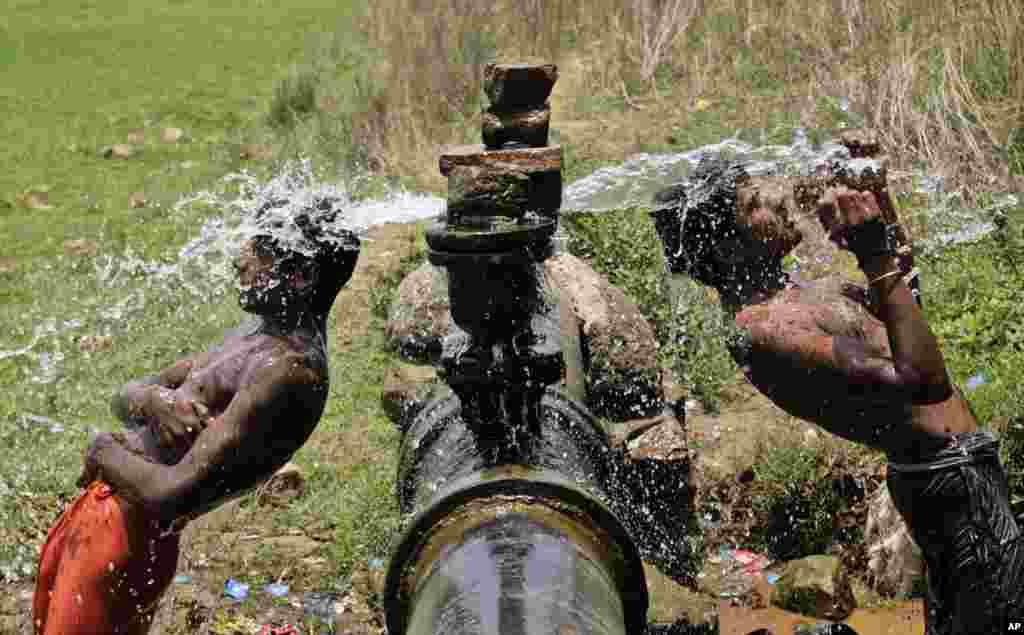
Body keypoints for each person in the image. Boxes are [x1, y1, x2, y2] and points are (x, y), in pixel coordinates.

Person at [650, 158, 1021, 634]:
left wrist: (878, 199)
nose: (777, 199)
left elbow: (910, 316)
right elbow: (923, 383)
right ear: (725, 248)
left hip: (956, 470)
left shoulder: (794, 294)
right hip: (949, 482)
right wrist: (871, 252)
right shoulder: (764, 329)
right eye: (752, 203)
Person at [33, 197, 360, 635]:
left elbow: (173, 495)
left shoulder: (288, 371)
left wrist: (103, 449)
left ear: (299, 277)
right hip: (105, 521)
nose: (239, 261)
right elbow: (127, 394)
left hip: (125, 535)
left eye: (258, 250)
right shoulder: (258, 338)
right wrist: (153, 399)